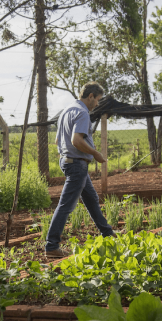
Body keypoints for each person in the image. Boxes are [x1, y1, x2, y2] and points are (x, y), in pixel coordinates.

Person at [45, 82, 116, 257]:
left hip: (69, 161)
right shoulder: (83, 112)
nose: (97, 104)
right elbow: (77, 141)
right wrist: (96, 154)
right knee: (66, 205)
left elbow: (57, 141)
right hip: (76, 164)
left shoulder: (67, 111)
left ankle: (107, 233)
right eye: (97, 100)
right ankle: (52, 246)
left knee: (91, 198)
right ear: (90, 96)